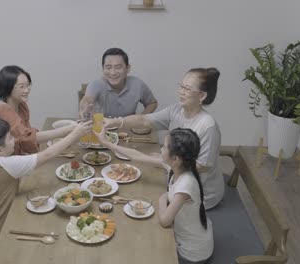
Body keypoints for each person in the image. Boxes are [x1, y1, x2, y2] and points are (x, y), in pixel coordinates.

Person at [0, 117, 91, 264]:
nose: (14, 139)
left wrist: (71, 130)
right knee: (42, 254)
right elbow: (47, 155)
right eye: (10, 138)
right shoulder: (6, 164)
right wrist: (76, 134)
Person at [104, 68, 224, 209]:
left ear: (202, 96)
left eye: (187, 89)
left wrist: (164, 161)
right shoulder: (176, 110)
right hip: (174, 179)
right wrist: (115, 122)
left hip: (198, 195)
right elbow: (144, 120)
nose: (181, 91)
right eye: (181, 86)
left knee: (145, 198)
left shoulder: (207, 126)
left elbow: (201, 166)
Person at [95, 127, 213, 264]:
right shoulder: (178, 167)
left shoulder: (186, 184)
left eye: (164, 147)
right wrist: (105, 143)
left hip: (192, 254)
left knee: (140, 249)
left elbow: (165, 221)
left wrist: (163, 197)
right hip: (193, 237)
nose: (161, 149)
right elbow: (137, 156)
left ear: (175, 158)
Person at [0, 65, 77, 155]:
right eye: (22, 87)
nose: (27, 90)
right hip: (2, 164)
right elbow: (26, 138)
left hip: (17, 158)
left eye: (28, 85)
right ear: (7, 87)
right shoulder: (3, 109)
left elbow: (26, 135)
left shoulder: (21, 105)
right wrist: (67, 130)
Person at [79, 48, 158, 118]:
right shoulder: (95, 84)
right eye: (108, 67)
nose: (113, 72)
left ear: (127, 68)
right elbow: (87, 99)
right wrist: (85, 108)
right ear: (103, 69)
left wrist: (140, 119)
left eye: (118, 67)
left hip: (128, 128)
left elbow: (152, 103)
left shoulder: (137, 84)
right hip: (103, 128)